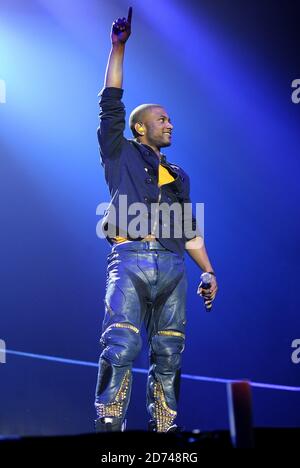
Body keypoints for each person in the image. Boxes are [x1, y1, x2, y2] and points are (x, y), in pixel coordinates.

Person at [94, 7, 218, 433]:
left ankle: (163, 431)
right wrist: (118, 47)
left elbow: (187, 228)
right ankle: (110, 430)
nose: (170, 123)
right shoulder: (120, 151)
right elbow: (110, 102)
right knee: (121, 343)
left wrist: (208, 270)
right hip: (129, 258)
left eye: (169, 118)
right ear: (140, 128)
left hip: (171, 267)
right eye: (161, 119)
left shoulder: (178, 174)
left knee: (170, 351)